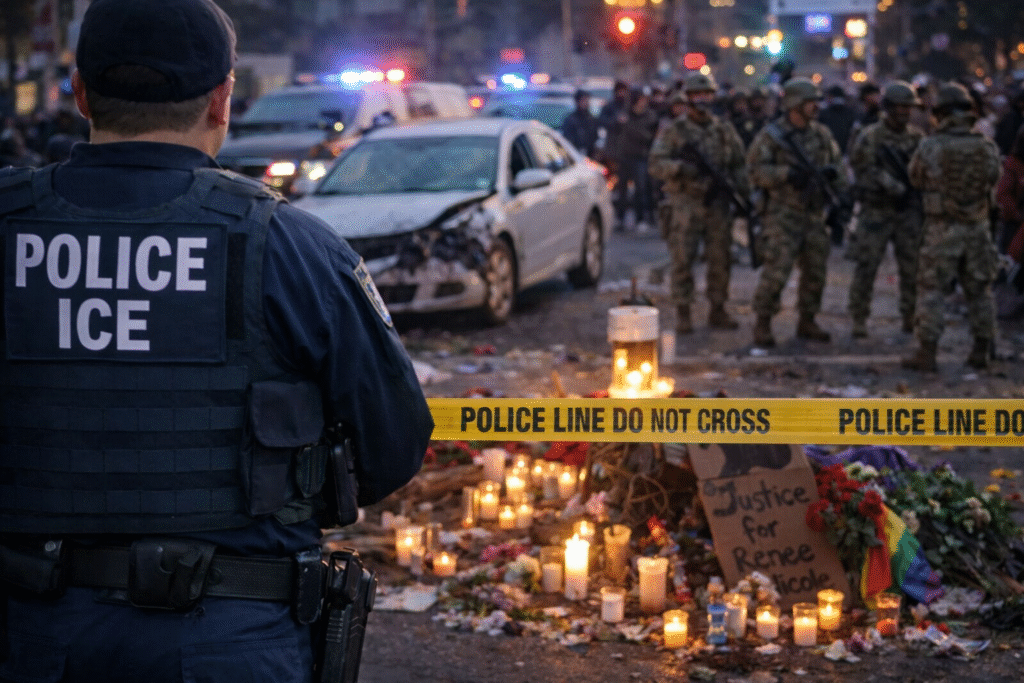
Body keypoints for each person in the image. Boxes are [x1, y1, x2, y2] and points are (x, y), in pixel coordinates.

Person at [0, 2, 433, 682]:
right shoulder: (290, 244)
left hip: (27, 632)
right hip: (228, 640)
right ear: (224, 99)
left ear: (79, 92)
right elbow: (394, 442)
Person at [902, 82, 1002, 372]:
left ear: (940, 113)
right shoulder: (985, 146)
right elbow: (993, 179)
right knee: (980, 291)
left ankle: (927, 352)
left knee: (932, 290)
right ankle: (982, 350)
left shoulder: (930, 146)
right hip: (977, 228)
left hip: (941, 230)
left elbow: (916, 178)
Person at [746, 77, 848, 347]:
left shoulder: (821, 135)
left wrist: (834, 179)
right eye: (810, 102)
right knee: (776, 273)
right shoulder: (773, 136)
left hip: (814, 215)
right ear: (794, 104)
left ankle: (807, 320)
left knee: (816, 272)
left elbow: (839, 166)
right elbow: (755, 172)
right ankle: (763, 323)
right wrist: (786, 175)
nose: (816, 107)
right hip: (782, 215)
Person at [649, 72, 748, 334]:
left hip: (717, 204)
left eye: (707, 95)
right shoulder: (675, 131)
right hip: (686, 203)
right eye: (698, 96)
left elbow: (739, 165)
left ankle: (718, 309)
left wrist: (745, 196)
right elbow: (656, 164)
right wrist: (682, 169)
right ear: (689, 99)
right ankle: (684, 312)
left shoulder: (723, 130)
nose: (703, 100)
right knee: (683, 259)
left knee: (720, 259)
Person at [846, 81, 926, 338]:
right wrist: (889, 184)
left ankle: (909, 316)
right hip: (877, 209)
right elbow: (861, 171)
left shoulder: (917, 138)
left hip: (908, 211)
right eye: (900, 107)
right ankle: (859, 318)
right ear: (888, 107)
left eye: (908, 107)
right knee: (866, 266)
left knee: (912, 268)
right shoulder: (871, 137)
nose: (905, 112)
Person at [615, 88, 660, 232]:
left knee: (640, 188)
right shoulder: (625, 113)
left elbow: (650, 136)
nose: (642, 103)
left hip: (641, 156)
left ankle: (641, 218)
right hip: (625, 156)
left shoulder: (650, 116)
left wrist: (631, 128)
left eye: (644, 100)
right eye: (640, 99)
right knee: (622, 189)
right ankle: (620, 218)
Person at [817, 84, 858, 153]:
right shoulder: (850, 112)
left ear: (831, 96)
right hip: (845, 150)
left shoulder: (824, 113)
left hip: (827, 150)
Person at [561, 89, 600, 158]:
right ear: (577, 101)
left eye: (587, 100)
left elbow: (595, 136)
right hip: (575, 155)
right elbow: (567, 139)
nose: (585, 103)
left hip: (590, 156)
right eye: (583, 100)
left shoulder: (592, 119)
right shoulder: (571, 119)